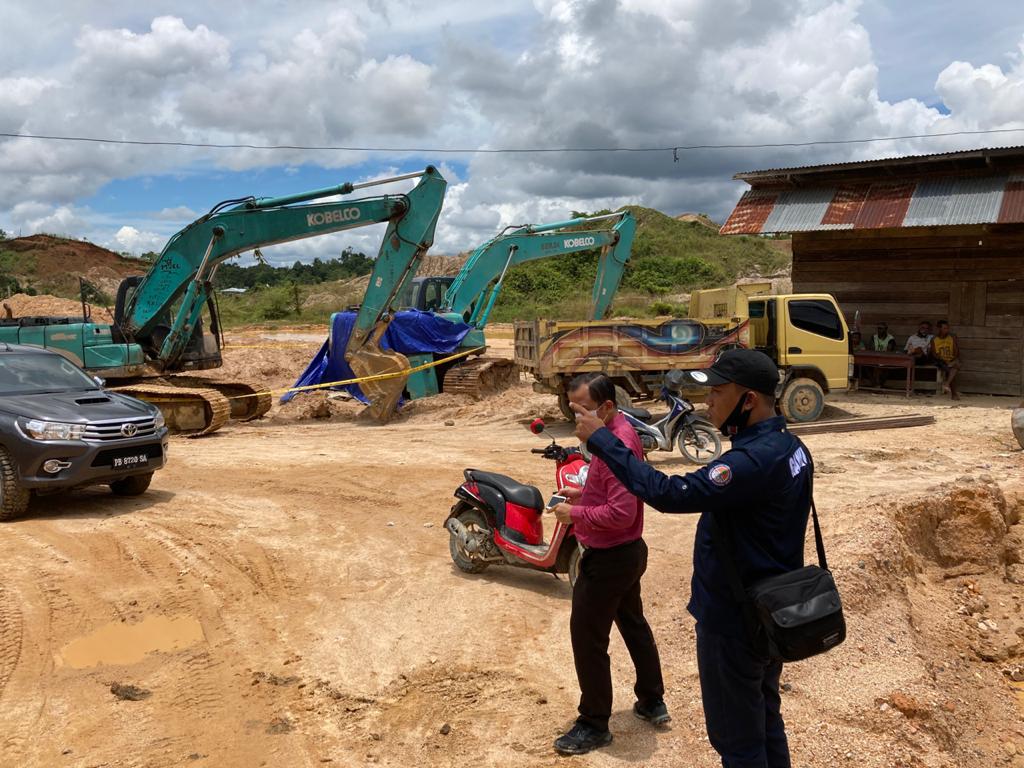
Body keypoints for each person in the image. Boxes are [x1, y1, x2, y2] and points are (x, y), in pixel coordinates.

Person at [571, 350, 812, 768]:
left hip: (736, 623)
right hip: (772, 611)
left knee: (738, 741)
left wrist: (602, 441)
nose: (708, 402)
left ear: (748, 400)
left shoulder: (749, 462)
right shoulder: (791, 447)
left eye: (718, 392)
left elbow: (670, 494)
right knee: (765, 720)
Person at [549, 372, 668, 756]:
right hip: (626, 553)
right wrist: (583, 492)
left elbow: (621, 511)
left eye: (583, 410)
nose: (576, 419)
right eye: (572, 410)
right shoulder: (608, 440)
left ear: (606, 408)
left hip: (611, 557)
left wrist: (575, 513)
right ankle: (652, 700)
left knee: (587, 637)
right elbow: (614, 490)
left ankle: (594, 723)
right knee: (633, 623)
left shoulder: (618, 443)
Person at [929, 320, 961, 400]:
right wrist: (945, 361)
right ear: (939, 329)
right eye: (945, 328)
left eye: (947, 328)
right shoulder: (934, 339)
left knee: (956, 365)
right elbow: (934, 354)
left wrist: (952, 360)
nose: (947, 330)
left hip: (950, 359)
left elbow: (956, 351)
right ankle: (953, 393)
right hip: (939, 360)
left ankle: (947, 384)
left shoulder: (951, 337)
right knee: (951, 370)